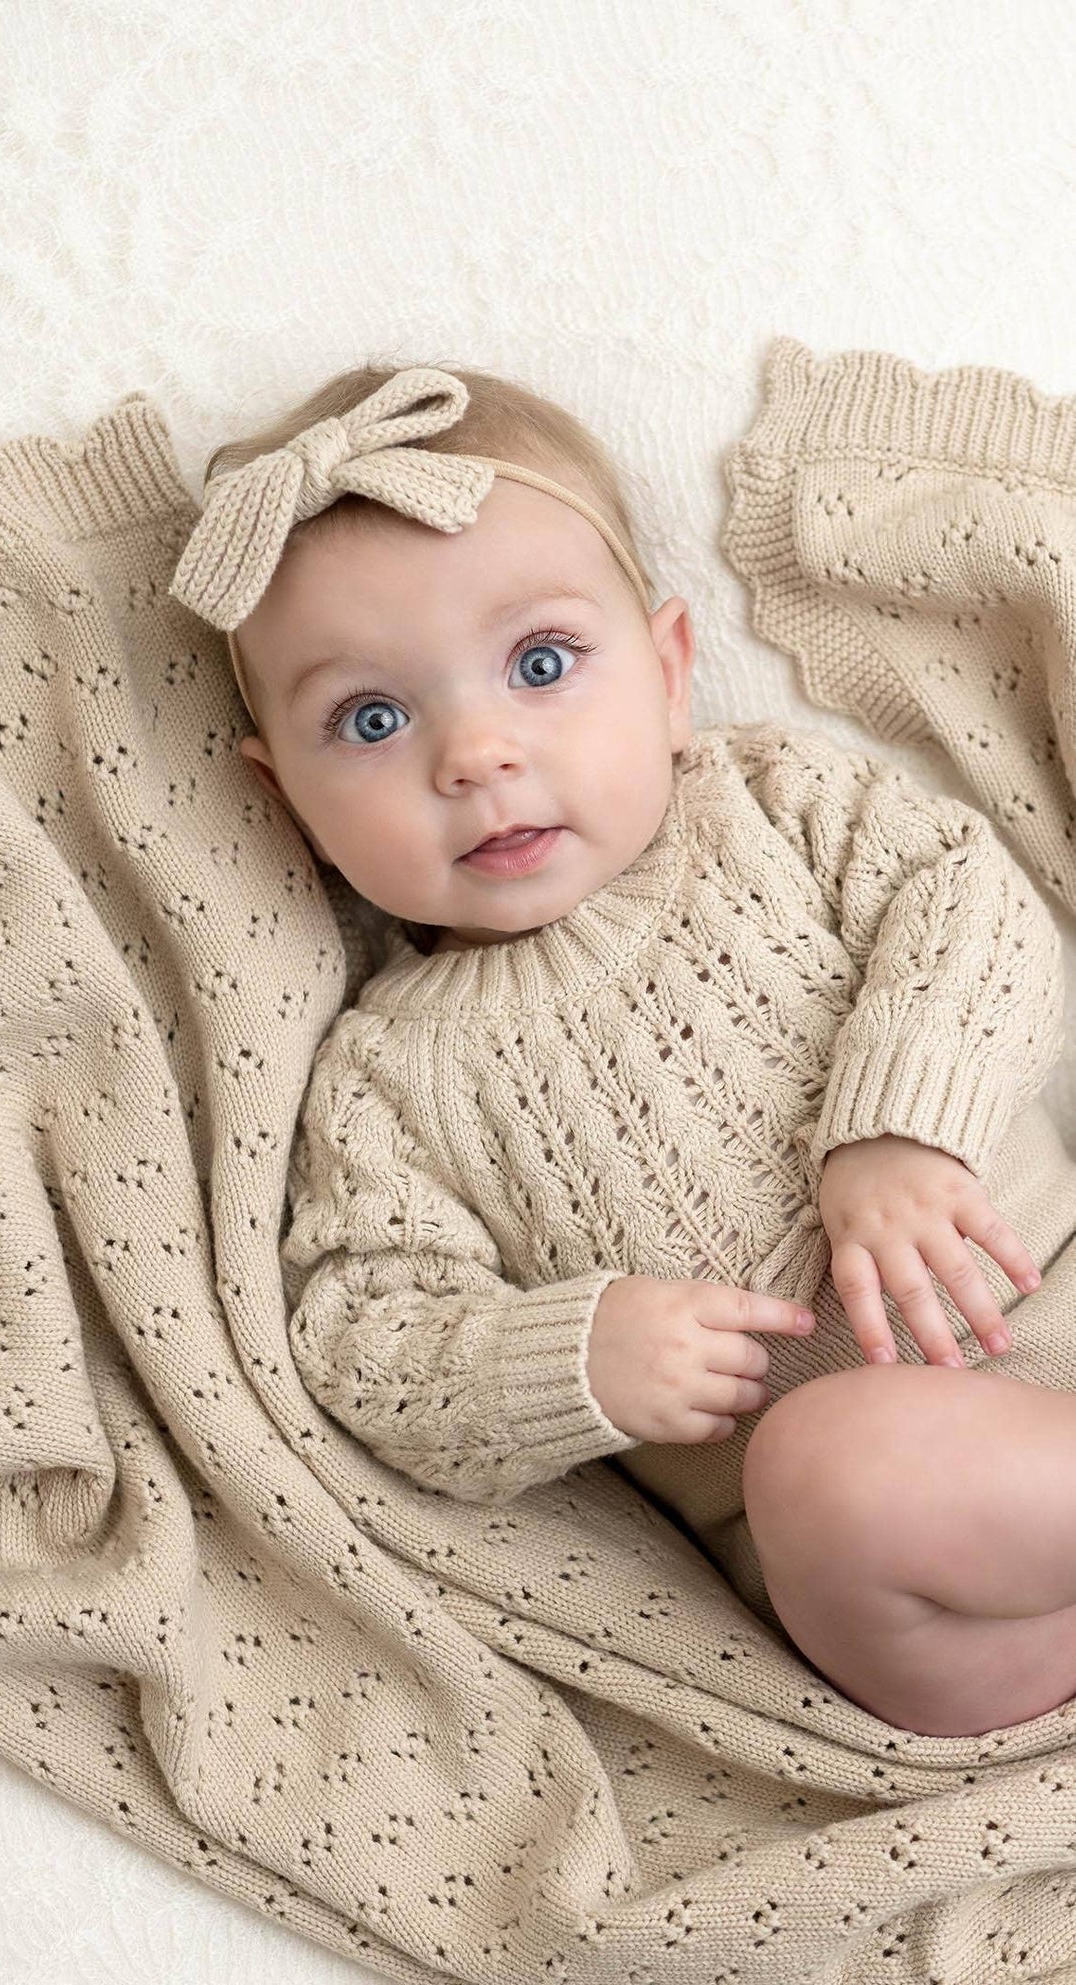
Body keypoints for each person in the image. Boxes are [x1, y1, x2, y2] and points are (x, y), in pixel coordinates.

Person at [168, 360, 1076, 1738]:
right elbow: (365, 1337)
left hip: (1055, 1315)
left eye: (539, 665)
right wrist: (564, 1357)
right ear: (277, 794)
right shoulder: (385, 1079)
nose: (474, 752)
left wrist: (897, 1124)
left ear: (664, 672)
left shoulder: (772, 805)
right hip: (925, 1602)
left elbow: (973, 902)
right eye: (369, 718)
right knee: (832, 1460)